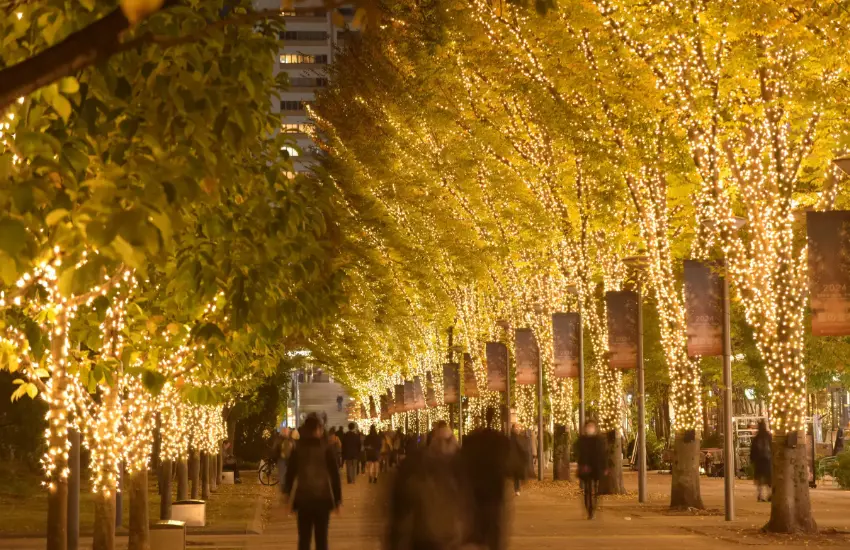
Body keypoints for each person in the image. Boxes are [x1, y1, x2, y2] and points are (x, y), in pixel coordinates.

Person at [386, 421, 470, 550]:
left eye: (448, 440)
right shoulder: (415, 467)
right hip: (426, 538)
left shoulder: (461, 468)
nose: (444, 445)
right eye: (443, 440)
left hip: (446, 538)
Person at [460, 408, 524, 550]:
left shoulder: (472, 440)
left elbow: (461, 464)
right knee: (495, 532)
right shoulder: (500, 440)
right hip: (495, 495)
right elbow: (515, 465)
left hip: (474, 496)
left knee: (476, 532)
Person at [283, 415, 342, 550]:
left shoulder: (298, 448)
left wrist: (287, 496)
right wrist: (337, 500)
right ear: (317, 429)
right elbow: (334, 474)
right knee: (322, 538)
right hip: (322, 498)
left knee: (304, 538)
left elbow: (290, 474)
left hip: (303, 498)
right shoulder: (326, 448)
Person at [576, 420, 606, 519]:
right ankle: (589, 508)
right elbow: (579, 454)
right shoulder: (582, 440)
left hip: (596, 467)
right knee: (587, 489)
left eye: (592, 426)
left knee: (596, 489)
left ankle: (593, 507)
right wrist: (582, 465)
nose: (590, 429)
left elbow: (603, 454)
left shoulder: (600, 439)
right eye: (588, 427)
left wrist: (605, 467)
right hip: (586, 467)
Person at [751, 420, 772, 502]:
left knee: (760, 479)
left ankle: (761, 495)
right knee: (769, 479)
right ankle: (770, 494)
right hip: (768, 460)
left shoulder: (757, 437)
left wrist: (752, 459)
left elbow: (753, 450)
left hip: (759, 461)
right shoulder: (769, 436)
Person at [274, 427, 295, 493]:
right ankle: (283, 488)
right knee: (282, 474)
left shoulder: (290, 440)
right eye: (285, 432)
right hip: (282, 459)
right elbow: (276, 448)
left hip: (289, 459)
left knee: (286, 473)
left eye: (287, 432)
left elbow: (294, 448)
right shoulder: (280, 440)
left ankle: (286, 487)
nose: (286, 433)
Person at [509, 423, 527, 496]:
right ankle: (517, 489)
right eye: (516, 428)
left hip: (515, 459)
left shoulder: (516, 437)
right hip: (516, 459)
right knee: (516, 475)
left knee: (516, 475)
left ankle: (517, 489)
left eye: (518, 428)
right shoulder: (515, 438)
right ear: (513, 429)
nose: (518, 429)